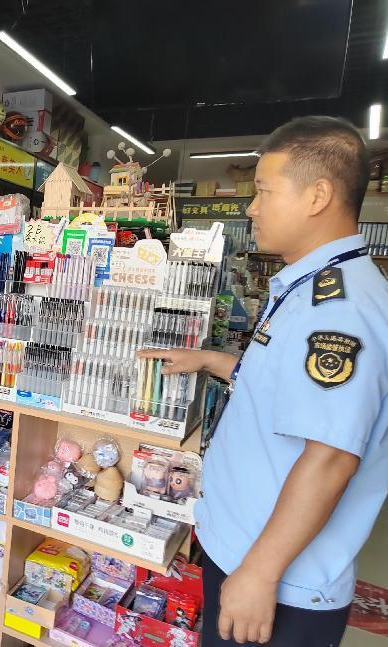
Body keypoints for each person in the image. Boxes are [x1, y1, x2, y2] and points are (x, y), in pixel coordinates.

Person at [140, 116, 388, 646]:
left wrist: (259, 572)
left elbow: (331, 456)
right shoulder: (309, 286)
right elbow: (288, 390)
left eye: (264, 191)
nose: (251, 208)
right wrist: (212, 360)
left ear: (318, 196)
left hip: (277, 581)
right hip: (246, 550)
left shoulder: (338, 311)